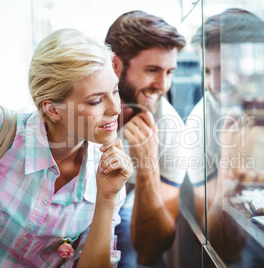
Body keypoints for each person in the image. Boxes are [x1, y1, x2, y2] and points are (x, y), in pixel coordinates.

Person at [0, 28, 133, 267]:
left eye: (115, 90)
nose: (116, 109)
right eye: (96, 100)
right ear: (53, 109)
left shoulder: (109, 174)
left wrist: (107, 199)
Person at [186, 8, 264, 264]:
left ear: (261, 58)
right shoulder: (200, 123)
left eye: (223, 68)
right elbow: (218, 244)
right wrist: (230, 167)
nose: (213, 83)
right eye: (207, 71)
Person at [104, 10, 187, 267]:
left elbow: (151, 251)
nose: (163, 85)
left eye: (169, 72)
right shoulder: (79, 104)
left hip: (121, 208)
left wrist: (148, 164)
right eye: (152, 70)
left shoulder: (169, 126)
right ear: (115, 65)